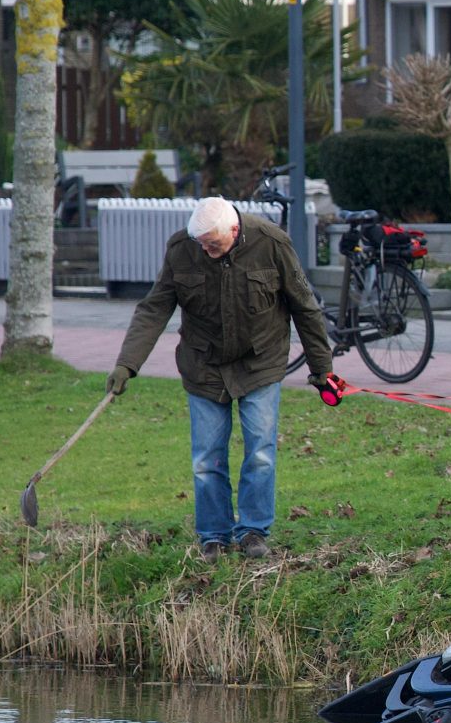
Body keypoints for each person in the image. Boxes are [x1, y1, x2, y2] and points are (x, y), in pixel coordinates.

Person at [108, 196, 340, 558]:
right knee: (207, 458)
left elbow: (304, 306)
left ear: (234, 229)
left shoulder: (272, 243)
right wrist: (128, 363)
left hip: (259, 363)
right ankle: (213, 535)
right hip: (204, 367)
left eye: (213, 244)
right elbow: (154, 308)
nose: (206, 250)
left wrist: (322, 369)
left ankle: (253, 532)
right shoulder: (181, 249)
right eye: (201, 244)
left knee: (260, 452)